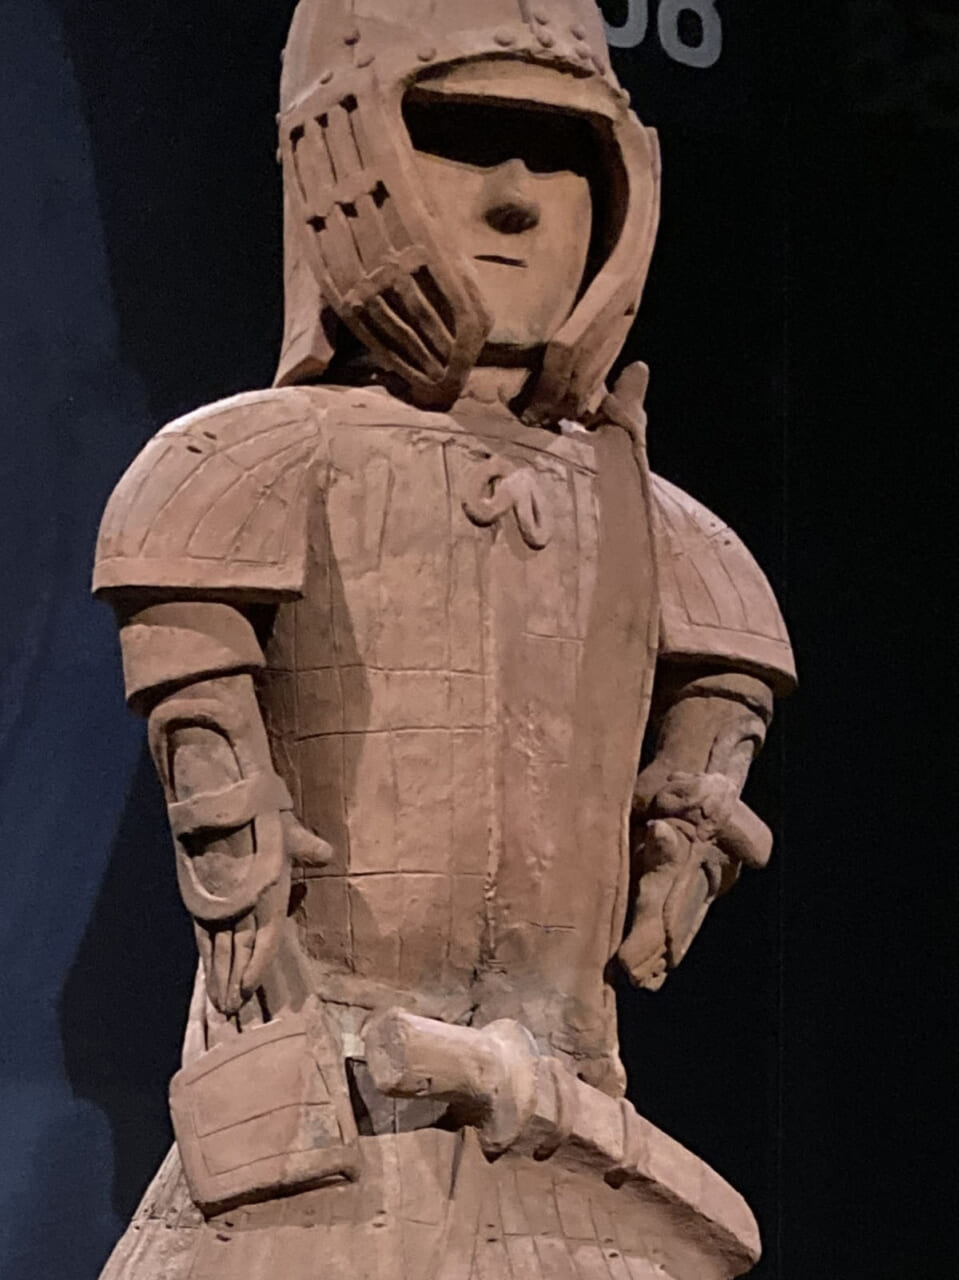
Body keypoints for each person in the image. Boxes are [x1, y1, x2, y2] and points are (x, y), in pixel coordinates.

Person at [93, 3, 794, 1276]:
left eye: (558, 155)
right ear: (345, 156)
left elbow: (721, 687)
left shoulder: (656, 525)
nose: (514, 200)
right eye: (461, 138)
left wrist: (692, 805)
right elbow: (220, 802)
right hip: (318, 1140)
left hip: (568, 1140)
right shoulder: (247, 465)